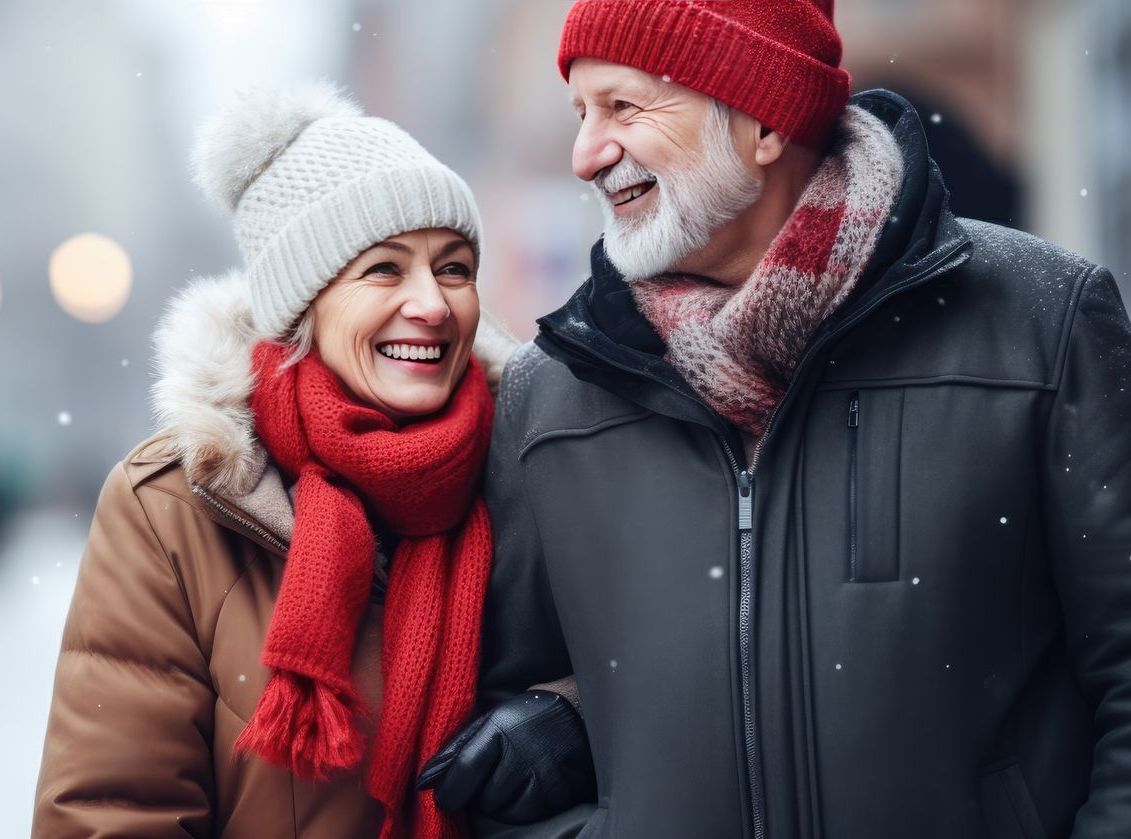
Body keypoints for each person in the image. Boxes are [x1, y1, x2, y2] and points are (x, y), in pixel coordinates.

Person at [425, 1, 1131, 837]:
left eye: (624, 106)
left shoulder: (1039, 322)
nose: (586, 154)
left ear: (762, 118)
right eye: (580, 113)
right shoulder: (551, 396)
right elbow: (510, 721)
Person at [32, 82, 527, 838]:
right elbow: (114, 811)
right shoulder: (173, 505)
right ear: (303, 305)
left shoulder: (533, 469)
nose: (432, 303)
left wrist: (563, 712)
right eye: (385, 270)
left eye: (454, 268)